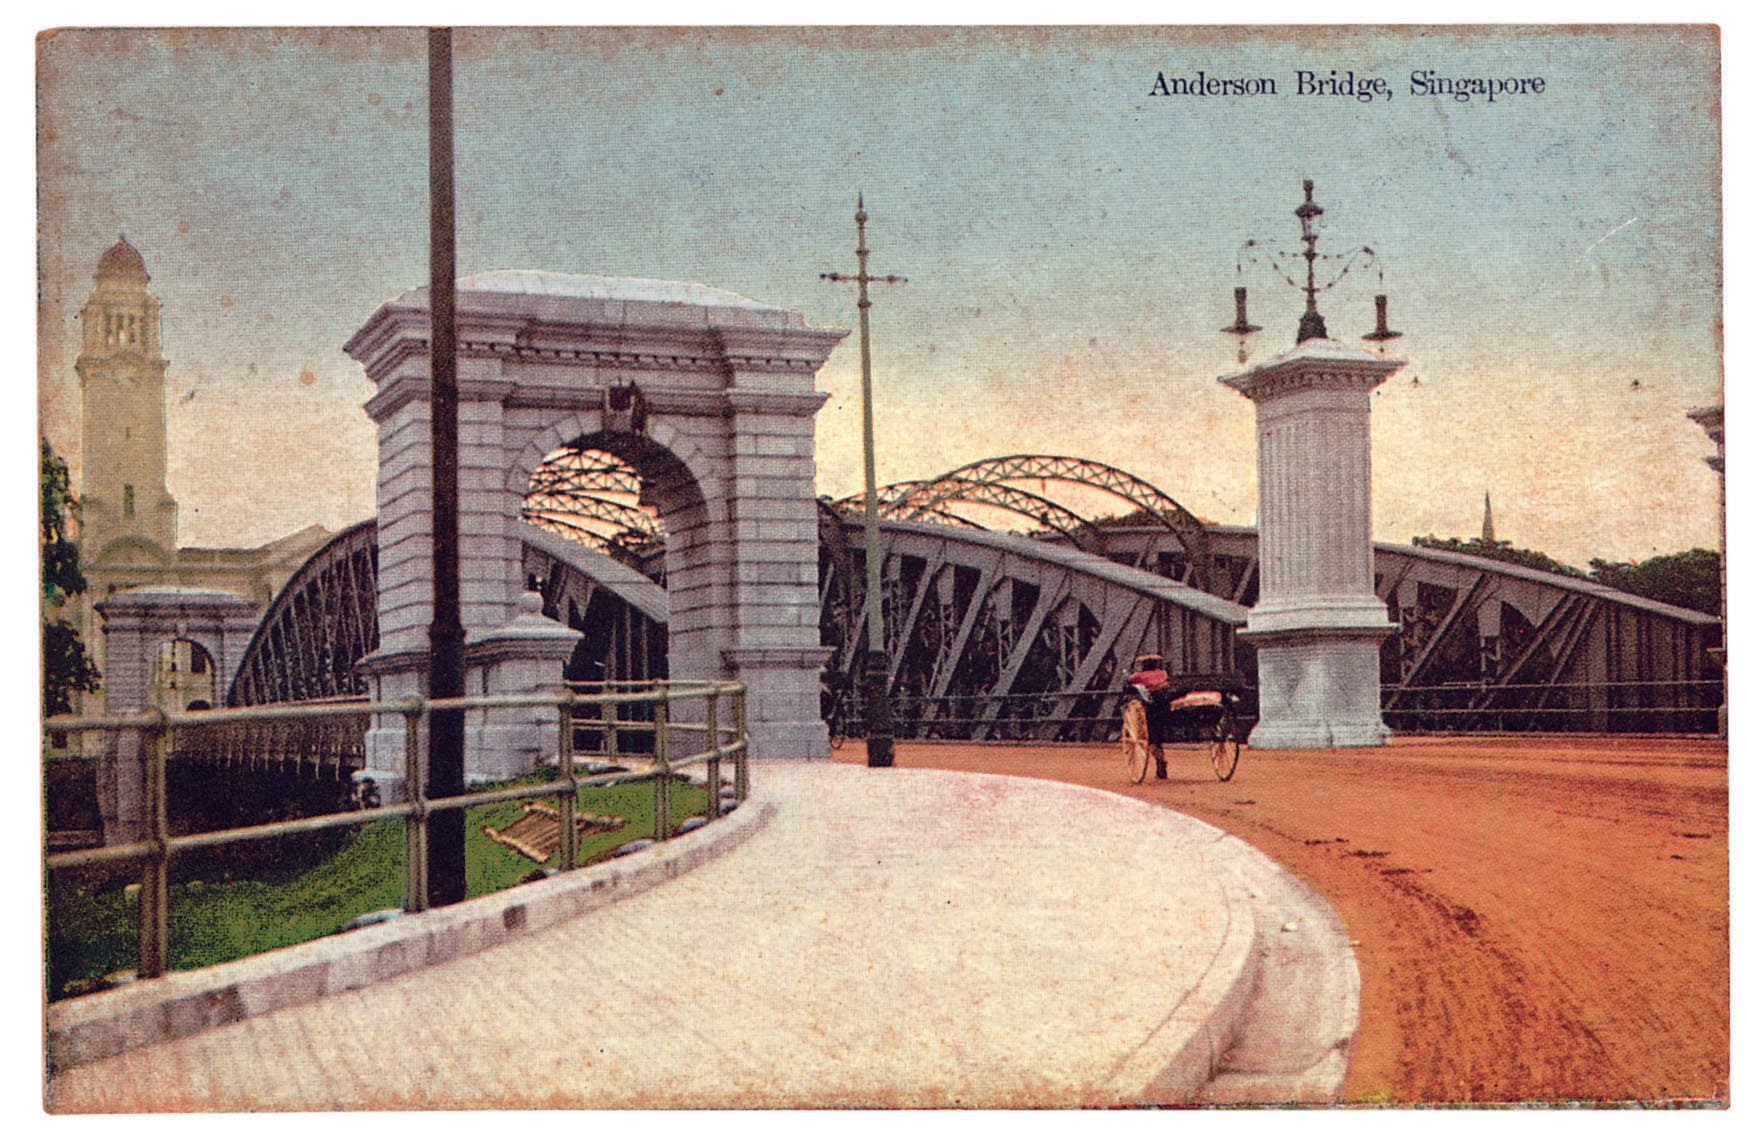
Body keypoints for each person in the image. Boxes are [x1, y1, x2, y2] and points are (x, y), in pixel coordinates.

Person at [1127, 653, 1173, 779]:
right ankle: (1160, 761)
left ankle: (1160, 760)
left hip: (1153, 707)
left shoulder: (1139, 676)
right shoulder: (1163, 673)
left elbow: (1129, 682)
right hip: (1166, 704)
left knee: (1154, 736)